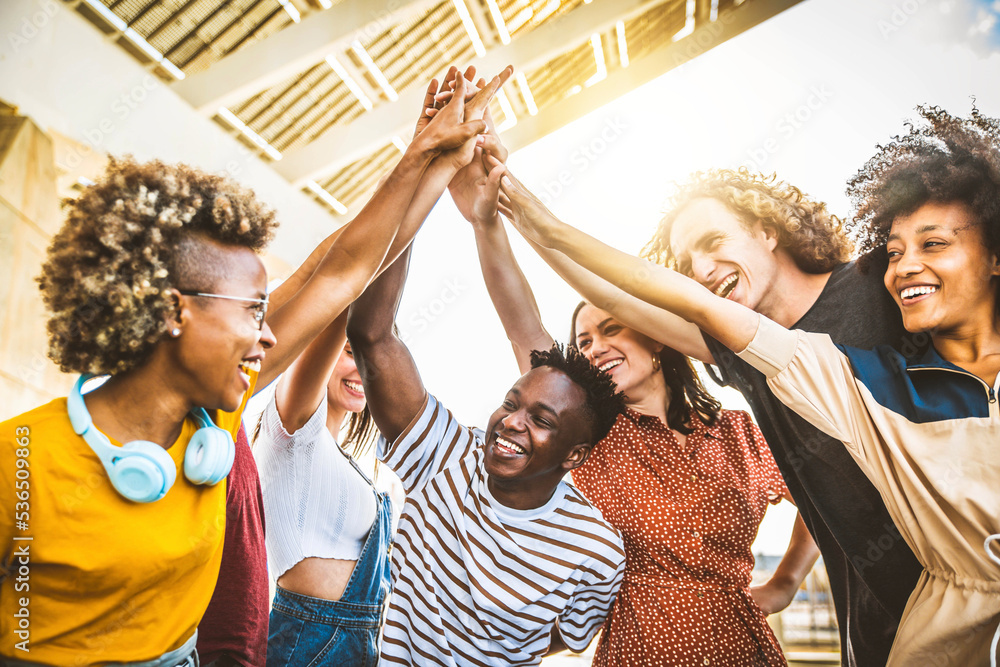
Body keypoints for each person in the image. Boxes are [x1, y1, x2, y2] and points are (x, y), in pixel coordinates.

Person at [0, 66, 492, 665]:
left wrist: (428, 159)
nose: (267, 337)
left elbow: (340, 273)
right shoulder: (18, 462)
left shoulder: (212, 419)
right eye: (251, 312)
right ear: (171, 311)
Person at [496, 104, 1000, 666]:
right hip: (887, 624)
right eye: (688, 260)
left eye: (714, 241)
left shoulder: (881, 285)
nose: (703, 267)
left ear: (767, 228)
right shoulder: (745, 350)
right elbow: (618, 296)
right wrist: (520, 216)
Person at [449, 143, 818, 665]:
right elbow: (522, 324)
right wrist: (485, 225)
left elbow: (822, 494)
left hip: (743, 645)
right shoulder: (591, 435)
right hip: (639, 646)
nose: (594, 347)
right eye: (583, 341)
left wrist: (784, 582)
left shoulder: (742, 431)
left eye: (610, 328)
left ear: (657, 338)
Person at [194, 65, 510, 667]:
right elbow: (343, 277)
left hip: (362, 646)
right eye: (348, 351)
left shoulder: (358, 464)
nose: (360, 364)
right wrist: (420, 161)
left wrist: (435, 165)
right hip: (304, 642)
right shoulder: (294, 427)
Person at [346, 243, 627, 666]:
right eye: (511, 404)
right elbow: (371, 336)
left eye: (542, 420)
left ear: (574, 455)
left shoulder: (597, 549)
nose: (513, 422)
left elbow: (568, 636)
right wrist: (414, 197)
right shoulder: (446, 454)